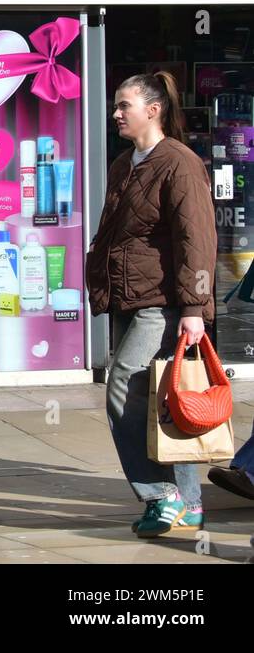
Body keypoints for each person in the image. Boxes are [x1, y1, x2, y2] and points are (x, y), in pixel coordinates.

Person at [88, 70, 217, 539]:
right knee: (165, 399)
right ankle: (191, 504)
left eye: (125, 105)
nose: (117, 113)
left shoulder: (178, 163)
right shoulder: (126, 162)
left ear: (153, 109)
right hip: (129, 295)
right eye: (117, 105)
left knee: (122, 383)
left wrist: (193, 310)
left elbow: (196, 240)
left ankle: (160, 495)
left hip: (163, 303)